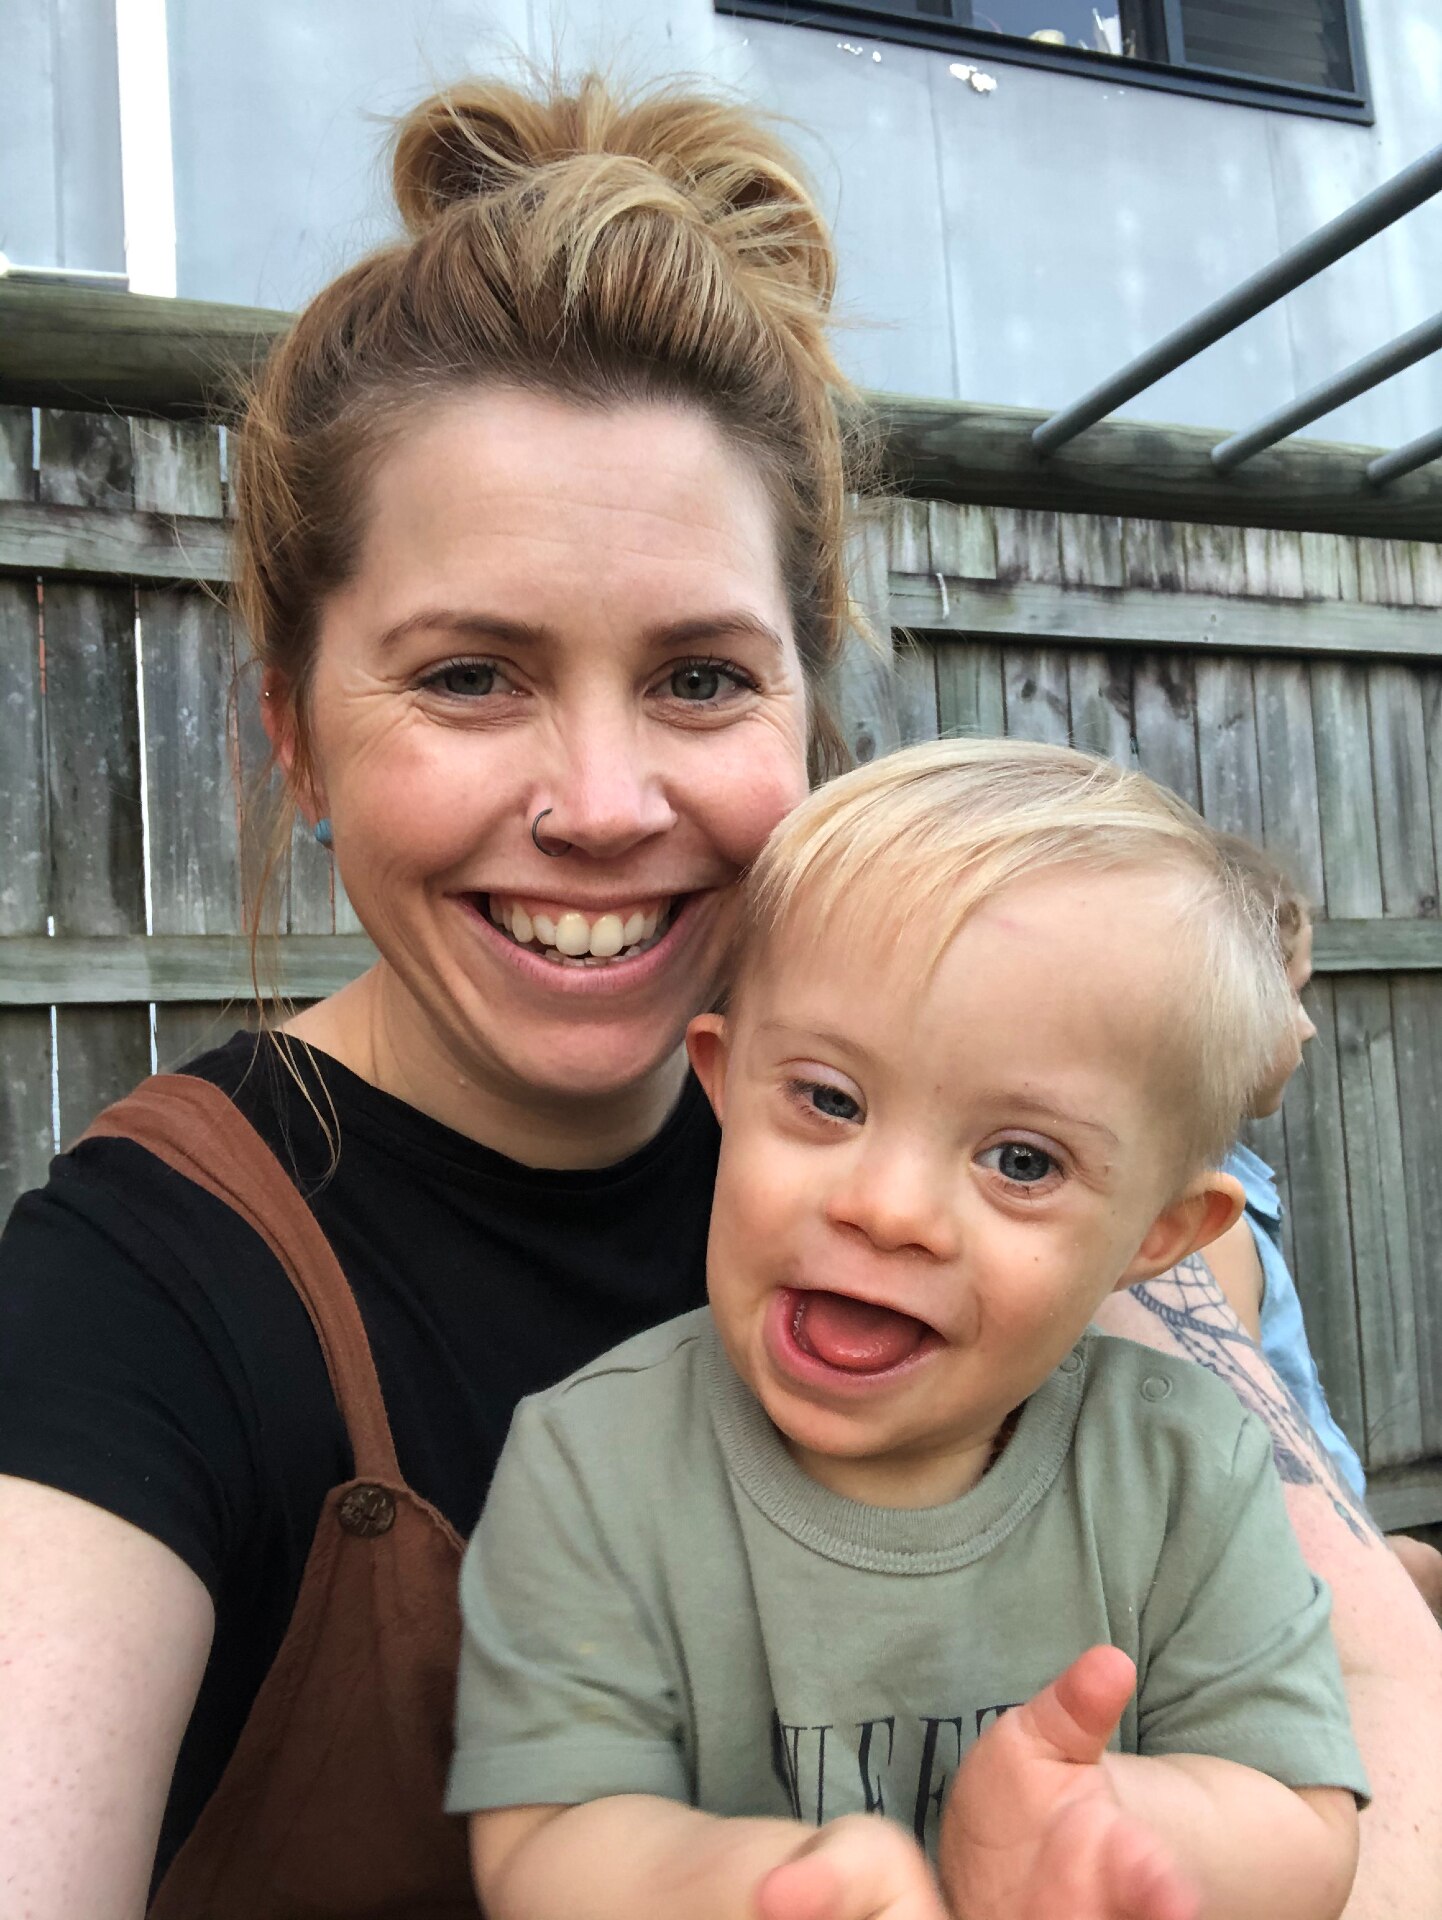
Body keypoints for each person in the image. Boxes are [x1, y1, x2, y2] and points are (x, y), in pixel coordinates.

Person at [0, 68, 1436, 1920]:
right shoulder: (138, 1301)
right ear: (292, 734)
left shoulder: (1009, 1128)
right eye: (467, 676)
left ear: (805, 713)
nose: (602, 805)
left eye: (697, 680)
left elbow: (1369, 1713)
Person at [453, 739, 1365, 1920]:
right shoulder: (592, 1463)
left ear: (1159, 1232)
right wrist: (766, 1887)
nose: (884, 1209)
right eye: (828, 1099)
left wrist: (1110, 1828)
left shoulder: (1188, 1471)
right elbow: (545, 1845)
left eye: (1020, 1161)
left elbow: (1299, 1820)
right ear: (723, 1081)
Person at [1203, 833, 1442, 1619]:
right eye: (1292, 994)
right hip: (1298, 1588)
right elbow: (1233, 1452)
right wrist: (1370, 1584)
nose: (1306, 1028)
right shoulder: (1204, 1224)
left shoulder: (1229, 1183)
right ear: (1222, 1002)